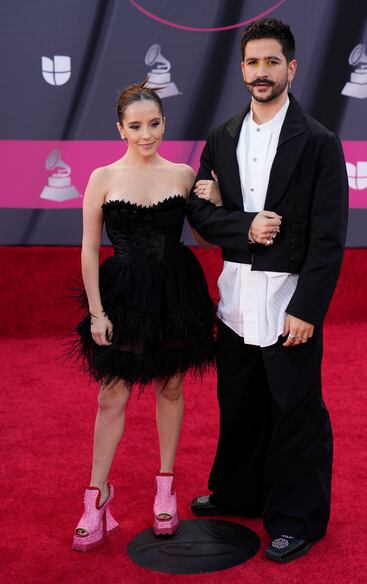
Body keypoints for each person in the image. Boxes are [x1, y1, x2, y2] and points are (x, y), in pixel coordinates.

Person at [187, 18, 348, 563]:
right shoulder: (221, 137)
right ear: (242, 69)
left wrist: (308, 310)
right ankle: (239, 492)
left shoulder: (320, 142)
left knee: (296, 410)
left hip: (288, 301)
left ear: (291, 68)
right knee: (239, 402)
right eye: (253, 62)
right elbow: (201, 214)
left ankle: (296, 518)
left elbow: (329, 236)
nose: (261, 72)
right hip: (234, 297)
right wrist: (245, 224)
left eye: (271, 62)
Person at [71, 82, 216, 551]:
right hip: (125, 295)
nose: (146, 134)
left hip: (176, 292)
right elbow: (91, 249)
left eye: (153, 124)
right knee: (112, 393)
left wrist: (210, 202)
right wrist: (96, 312)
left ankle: (165, 488)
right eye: (136, 126)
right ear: (120, 129)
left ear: (164, 124)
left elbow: (204, 238)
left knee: (170, 386)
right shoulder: (102, 177)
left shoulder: (182, 174)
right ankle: (97, 497)